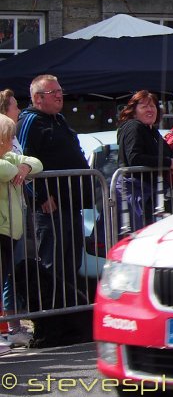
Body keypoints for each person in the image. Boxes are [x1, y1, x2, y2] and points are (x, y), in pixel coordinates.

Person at [16, 74, 90, 294]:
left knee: (71, 262)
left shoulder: (60, 120)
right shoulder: (29, 121)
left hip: (70, 204)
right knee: (52, 265)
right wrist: (40, 197)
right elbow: (23, 162)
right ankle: (51, 317)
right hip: (50, 207)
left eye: (60, 91)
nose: (60, 96)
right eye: (53, 92)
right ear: (38, 98)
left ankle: (68, 314)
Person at [0, 115, 41, 353]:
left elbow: (36, 162)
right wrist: (19, 166)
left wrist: (25, 166)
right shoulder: (7, 160)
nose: (12, 141)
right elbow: (6, 170)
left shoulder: (9, 156)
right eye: (8, 137)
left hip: (8, 233)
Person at [116, 90, 173, 231]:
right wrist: (167, 162)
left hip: (149, 194)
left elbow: (169, 151)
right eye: (144, 106)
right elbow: (134, 158)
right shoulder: (134, 127)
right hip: (134, 194)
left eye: (152, 106)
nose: (150, 110)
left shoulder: (151, 130)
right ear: (134, 112)